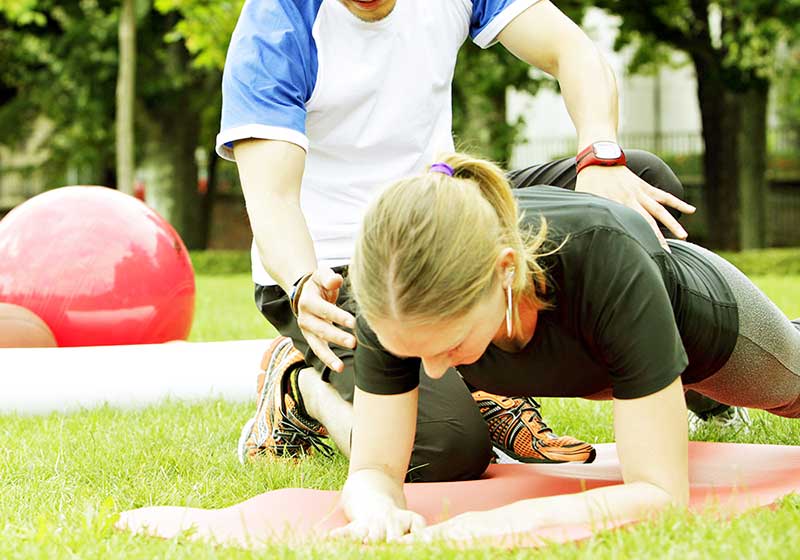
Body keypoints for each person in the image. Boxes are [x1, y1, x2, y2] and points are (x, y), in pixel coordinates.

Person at [217, 0, 719, 479]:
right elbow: (273, 201)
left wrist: (600, 154)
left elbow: (573, 50)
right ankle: (299, 385)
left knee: (640, 187)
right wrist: (303, 282)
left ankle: (692, 388)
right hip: (337, 266)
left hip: (448, 223)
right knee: (440, 452)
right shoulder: (276, 27)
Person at [335, 153, 800, 542]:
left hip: (702, 330)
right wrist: (378, 511)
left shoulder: (605, 255)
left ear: (504, 272)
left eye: (451, 345)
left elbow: (660, 493)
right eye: (417, 355)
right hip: (599, 355)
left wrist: (502, 524)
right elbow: (373, 468)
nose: (433, 373)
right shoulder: (392, 293)